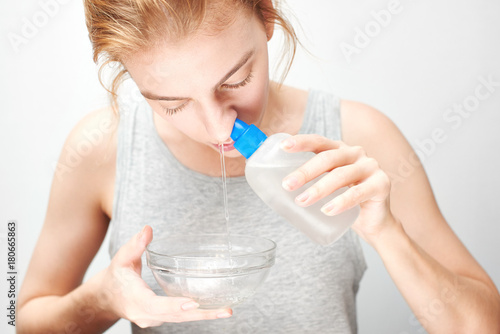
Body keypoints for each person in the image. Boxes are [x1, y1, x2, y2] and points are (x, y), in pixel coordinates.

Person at [17, 0, 500, 333]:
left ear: (266, 14)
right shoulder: (102, 150)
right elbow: (25, 320)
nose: (217, 127)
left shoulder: (358, 138)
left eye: (237, 78)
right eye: (171, 104)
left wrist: (387, 232)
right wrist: (101, 299)